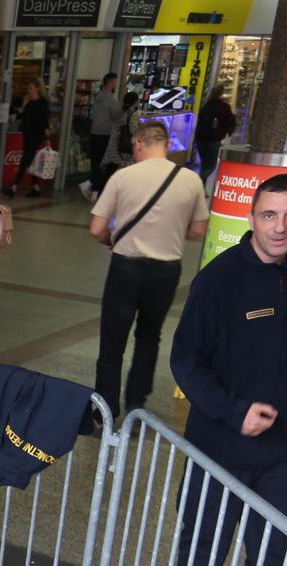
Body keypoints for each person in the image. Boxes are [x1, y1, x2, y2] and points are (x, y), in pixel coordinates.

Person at [169, 174, 287, 566]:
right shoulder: (219, 279)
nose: (280, 227)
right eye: (269, 215)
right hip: (219, 444)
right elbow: (185, 360)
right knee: (205, 542)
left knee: (278, 547)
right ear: (251, 218)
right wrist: (235, 411)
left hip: (282, 448)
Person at [87, 120, 209, 418]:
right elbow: (199, 229)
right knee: (149, 337)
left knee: (112, 341)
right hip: (166, 272)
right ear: (166, 145)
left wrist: (111, 241)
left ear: (139, 143)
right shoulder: (191, 180)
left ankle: (104, 410)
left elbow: (97, 228)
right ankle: (136, 404)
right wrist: (171, 230)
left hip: (125, 268)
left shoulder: (123, 176)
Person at [82, 73, 121, 202]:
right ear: (111, 82)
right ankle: (98, 189)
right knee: (105, 163)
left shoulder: (97, 97)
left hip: (94, 133)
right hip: (105, 134)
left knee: (95, 162)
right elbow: (117, 117)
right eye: (115, 82)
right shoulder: (111, 99)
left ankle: (93, 188)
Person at [8, 81, 50, 197]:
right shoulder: (29, 103)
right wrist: (25, 103)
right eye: (28, 88)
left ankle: (14, 187)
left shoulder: (42, 103)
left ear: (37, 89)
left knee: (25, 160)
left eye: (31, 88)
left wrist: (47, 137)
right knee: (29, 161)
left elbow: (45, 120)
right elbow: (20, 115)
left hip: (36, 135)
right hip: (27, 134)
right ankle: (36, 188)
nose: (29, 90)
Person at [99, 90, 142, 189]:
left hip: (114, 145)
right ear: (135, 102)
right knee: (117, 173)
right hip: (123, 147)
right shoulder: (133, 114)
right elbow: (133, 130)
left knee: (109, 171)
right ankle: (108, 192)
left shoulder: (120, 113)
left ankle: (102, 192)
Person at [195, 85, 236, 180]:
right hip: (213, 140)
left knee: (204, 164)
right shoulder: (224, 107)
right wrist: (227, 133)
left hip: (201, 139)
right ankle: (198, 183)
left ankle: (200, 184)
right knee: (210, 166)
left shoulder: (206, 106)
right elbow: (231, 122)